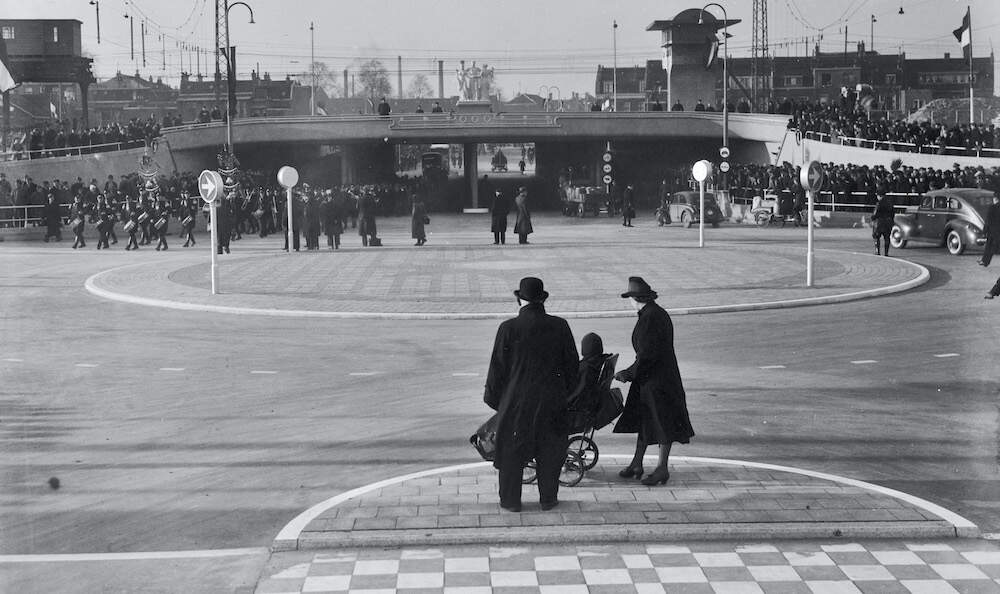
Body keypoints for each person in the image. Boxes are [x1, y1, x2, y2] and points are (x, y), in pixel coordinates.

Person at [484, 277, 579, 512]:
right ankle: (548, 498)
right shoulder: (560, 326)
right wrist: (563, 395)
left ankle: (510, 501)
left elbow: (497, 370)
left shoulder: (508, 328)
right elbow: (572, 368)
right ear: (543, 299)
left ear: (519, 299)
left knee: (511, 454)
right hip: (552, 400)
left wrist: (500, 403)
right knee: (550, 451)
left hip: (516, 402)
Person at [613, 277, 694, 486]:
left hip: (657, 381)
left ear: (634, 298)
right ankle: (637, 463)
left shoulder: (650, 318)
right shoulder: (653, 313)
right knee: (646, 420)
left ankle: (662, 468)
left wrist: (628, 373)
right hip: (654, 378)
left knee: (662, 422)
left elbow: (647, 354)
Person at [978, 193, 1000, 267]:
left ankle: (985, 261)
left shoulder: (992, 207)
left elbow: (988, 221)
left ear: (995, 199)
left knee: (988, 247)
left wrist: (984, 232)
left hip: (993, 232)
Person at [871, 191, 895, 256]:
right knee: (887, 237)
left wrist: (872, 218)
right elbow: (893, 213)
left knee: (876, 237)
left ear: (879, 196)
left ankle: (877, 251)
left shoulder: (879, 203)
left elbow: (875, 214)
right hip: (888, 222)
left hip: (879, 222)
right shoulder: (890, 203)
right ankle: (886, 253)